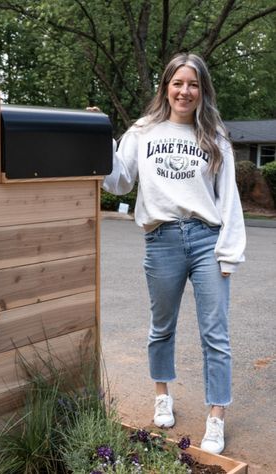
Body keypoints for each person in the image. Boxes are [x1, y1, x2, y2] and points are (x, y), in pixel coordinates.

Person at [102, 52, 246, 455]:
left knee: (215, 335)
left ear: (203, 90)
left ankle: (215, 417)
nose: (185, 91)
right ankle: (162, 393)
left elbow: (229, 199)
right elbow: (118, 182)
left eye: (193, 84)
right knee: (161, 326)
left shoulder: (214, 136)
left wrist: (229, 253)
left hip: (206, 240)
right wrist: (101, 138)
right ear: (166, 86)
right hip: (161, 239)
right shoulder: (144, 131)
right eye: (178, 83)